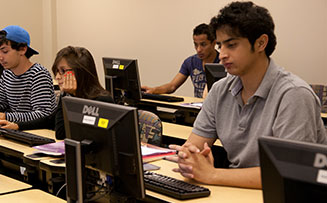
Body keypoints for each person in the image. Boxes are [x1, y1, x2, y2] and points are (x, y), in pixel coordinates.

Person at [168, 1, 327, 189]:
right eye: (220, 46)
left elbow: (288, 173)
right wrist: (189, 159)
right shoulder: (219, 90)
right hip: (238, 190)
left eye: (232, 45)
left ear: (261, 43)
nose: (222, 55)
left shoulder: (294, 95)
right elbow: (191, 148)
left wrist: (212, 174)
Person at [0, 46, 113, 140]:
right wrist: (17, 126)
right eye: (57, 72)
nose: (58, 77)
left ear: (80, 72)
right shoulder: (71, 95)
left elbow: (61, 134)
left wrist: (65, 97)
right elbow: (49, 120)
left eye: (63, 71)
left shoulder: (101, 101)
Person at [142, 23, 219, 98]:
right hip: (197, 107)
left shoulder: (222, 62)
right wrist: (153, 90)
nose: (198, 49)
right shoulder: (190, 62)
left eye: (203, 44)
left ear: (213, 43)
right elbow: (172, 86)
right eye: (196, 44)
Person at [0, 25, 56, 122]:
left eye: (5, 51)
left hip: (38, 131)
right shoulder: (7, 74)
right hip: (17, 129)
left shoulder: (38, 74)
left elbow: (43, 114)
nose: (0, 57)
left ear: (22, 49)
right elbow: (2, 103)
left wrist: (6, 117)